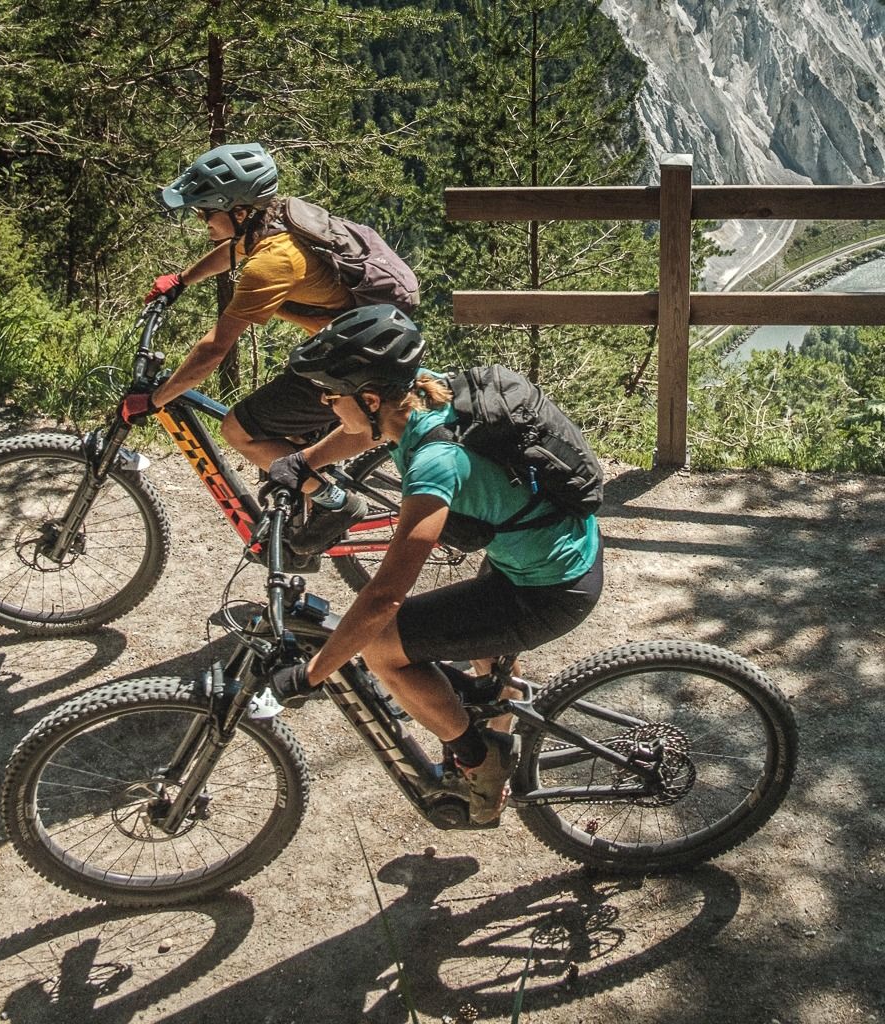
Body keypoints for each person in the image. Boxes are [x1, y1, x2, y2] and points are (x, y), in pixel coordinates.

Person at [266, 304, 605, 824]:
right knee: (482, 658)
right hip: (554, 550)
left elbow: (384, 597)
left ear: (372, 398)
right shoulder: (424, 391)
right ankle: (495, 717)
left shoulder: (434, 466)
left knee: (382, 648)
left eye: (332, 397)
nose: (328, 405)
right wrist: (305, 462)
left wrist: (313, 674)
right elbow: (368, 430)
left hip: (547, 589)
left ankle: (479, 761)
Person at [120, 142, 373, 554]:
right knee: (279, 433)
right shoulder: (274, 221)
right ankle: (297, 526)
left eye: (206, 212)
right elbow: (232, 252)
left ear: (238, 211)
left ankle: (336, 503)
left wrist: (156, 400)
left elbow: (214, 351)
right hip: (351, 344)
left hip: (349, 362)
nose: (201, 220)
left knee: (238, 429)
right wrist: (182, 279)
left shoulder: (272, 263)